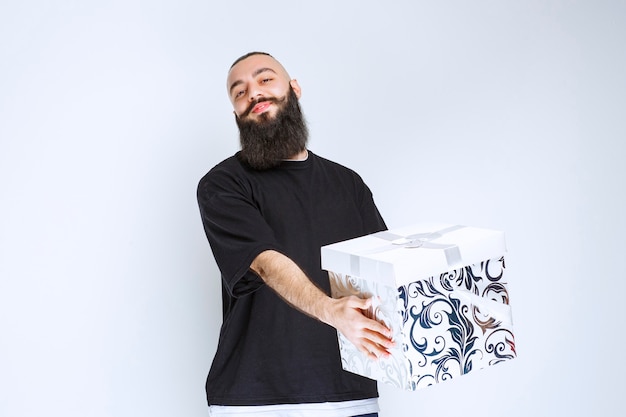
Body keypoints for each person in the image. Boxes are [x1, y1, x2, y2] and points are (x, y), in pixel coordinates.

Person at [197, 51, 394, 417]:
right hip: (257, 403)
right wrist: (332, 310)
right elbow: (265, 263)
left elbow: (387, 275)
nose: (253, 93)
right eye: (239, 92)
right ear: (237, 113)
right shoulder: (222, 185)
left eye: (265, 79)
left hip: (351, 395)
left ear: (294, 88)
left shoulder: (348, 184)